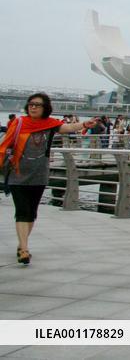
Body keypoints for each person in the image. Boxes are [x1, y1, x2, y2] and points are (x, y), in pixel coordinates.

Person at [1, 93, 96, 265]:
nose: (33, 107)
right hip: (18, 173)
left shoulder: (50, 124)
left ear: (45, 108)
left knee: (31, 212)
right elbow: (5, 144)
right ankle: (24, 248)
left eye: (37, 104)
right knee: (22, 211)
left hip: (40, 174)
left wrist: (84, 124)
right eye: (31, 104)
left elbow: (66, 128)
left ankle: (22, 243)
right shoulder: (20, 122)